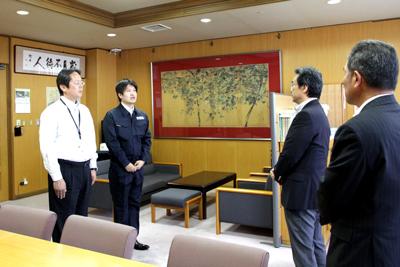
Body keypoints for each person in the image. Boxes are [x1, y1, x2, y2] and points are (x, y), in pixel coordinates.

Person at [318, 40, 400, 266]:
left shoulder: (355, 131)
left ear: (356, 78)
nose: (342, 80)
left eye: (344, 73)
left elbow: (331, 199)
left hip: (359, 252)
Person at [270, 67, 330, 267]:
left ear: (304, 87)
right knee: (315, 244)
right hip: (315, 191)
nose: (290, 87)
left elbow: (291, 154)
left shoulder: (306, 115)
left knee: (304, 250)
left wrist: (276, 172)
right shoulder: (319, 112)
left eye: (293, 84)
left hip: (300, 194)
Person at [39, 69, 97, 242]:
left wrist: (93, 165)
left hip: (85, 168)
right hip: (64, 169)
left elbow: (90, 139)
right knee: (63, 216)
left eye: (82, 82)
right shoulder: (51, 112)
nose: (81, 85)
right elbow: (47, 147)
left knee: (81, 216)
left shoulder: (85, 110)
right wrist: (56, 177)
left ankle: (78, 251)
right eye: (77, 82)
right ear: (63, 87)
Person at [102, 79, 151, 250]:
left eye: (134, 90)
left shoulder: (142, 115)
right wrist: (125, 163)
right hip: (120, 169)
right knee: (121, 205)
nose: (133, 93)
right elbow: (112, 143)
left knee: (134, 204)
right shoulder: (111, 116)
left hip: (137, 169)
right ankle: (120, 241)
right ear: (120, 95)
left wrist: (143, 159)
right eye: (128, 91)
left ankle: (133, 239)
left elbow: (147, 139)